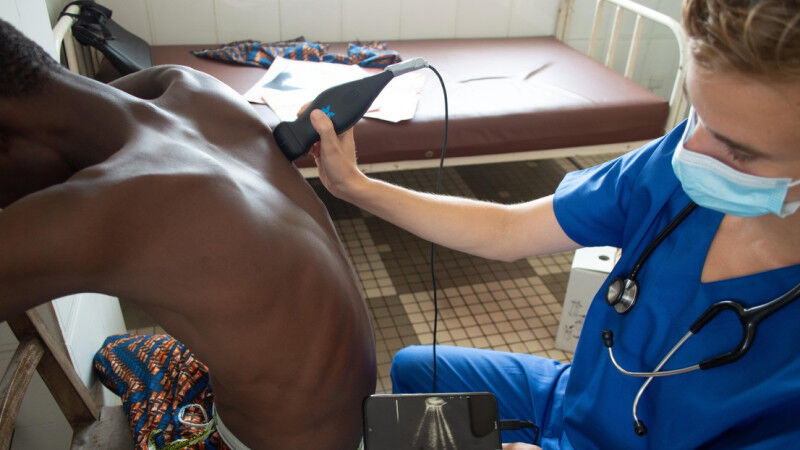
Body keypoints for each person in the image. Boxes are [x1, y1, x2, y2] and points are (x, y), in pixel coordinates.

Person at [304, 0, 800, 448]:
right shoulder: (671, 166)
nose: (690, 152)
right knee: (415, 369)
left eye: (739, 151)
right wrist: (356, 187)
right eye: (696, 113)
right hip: (580, 396)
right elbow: (510, 230)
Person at [0, 18, 375, 449]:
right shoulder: (193, 84)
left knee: (117, 356)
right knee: (122, 351)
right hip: (354, 415)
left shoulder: (109, 208)